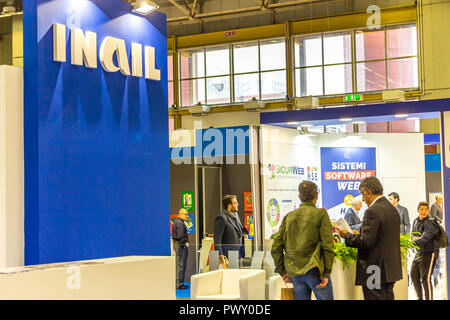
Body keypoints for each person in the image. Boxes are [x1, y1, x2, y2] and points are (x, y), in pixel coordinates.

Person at [336, 176, 402, 300]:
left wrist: (347, 235)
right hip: (390, 268)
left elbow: (366, 242)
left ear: (369, 193)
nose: (363, 199)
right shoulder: (392, 210)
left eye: (363, 194)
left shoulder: (372, 211)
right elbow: (380, 236)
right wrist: (359, 234)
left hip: (374, 268)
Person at [271, 180, 335, 300]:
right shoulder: (321, 214)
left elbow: (275, 247)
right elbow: (328, 246)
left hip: (295, 272)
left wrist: (282, 271)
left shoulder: (288, 217)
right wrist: (326, 273)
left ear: (300, 196)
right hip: (315, 270)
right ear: (316, 195)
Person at [410, 202, 440, 300]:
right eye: (421, 209)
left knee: (425, 279)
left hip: (429, 253)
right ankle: (420, 298)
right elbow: (412, 235)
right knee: (413, 275)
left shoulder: (431, 222)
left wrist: (416, 239)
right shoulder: (415, 221)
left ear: (428, 211)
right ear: (418, 210)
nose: (423, 211)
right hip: (419, 252)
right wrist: (415, 238)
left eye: (426, 209)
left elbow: (425, 239)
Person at [214, 195, 248, 263]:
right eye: (235, 203)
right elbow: (217, 238)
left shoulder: (236, 215)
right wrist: (220, 254)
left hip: (238, 252)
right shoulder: (222, 218)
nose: (238, 204)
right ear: (229, 206)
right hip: (228, 254)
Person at [172, 208, 189, 290]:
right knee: (181, 265)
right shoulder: (180, 223)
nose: (187, 216)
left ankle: (179, 283)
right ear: (181, 214)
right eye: (186, 214)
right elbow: (180, 236)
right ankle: (179, 283)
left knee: (179, 264)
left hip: (177, 245)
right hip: (181, 246)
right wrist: (184, 244)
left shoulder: (176, 222)